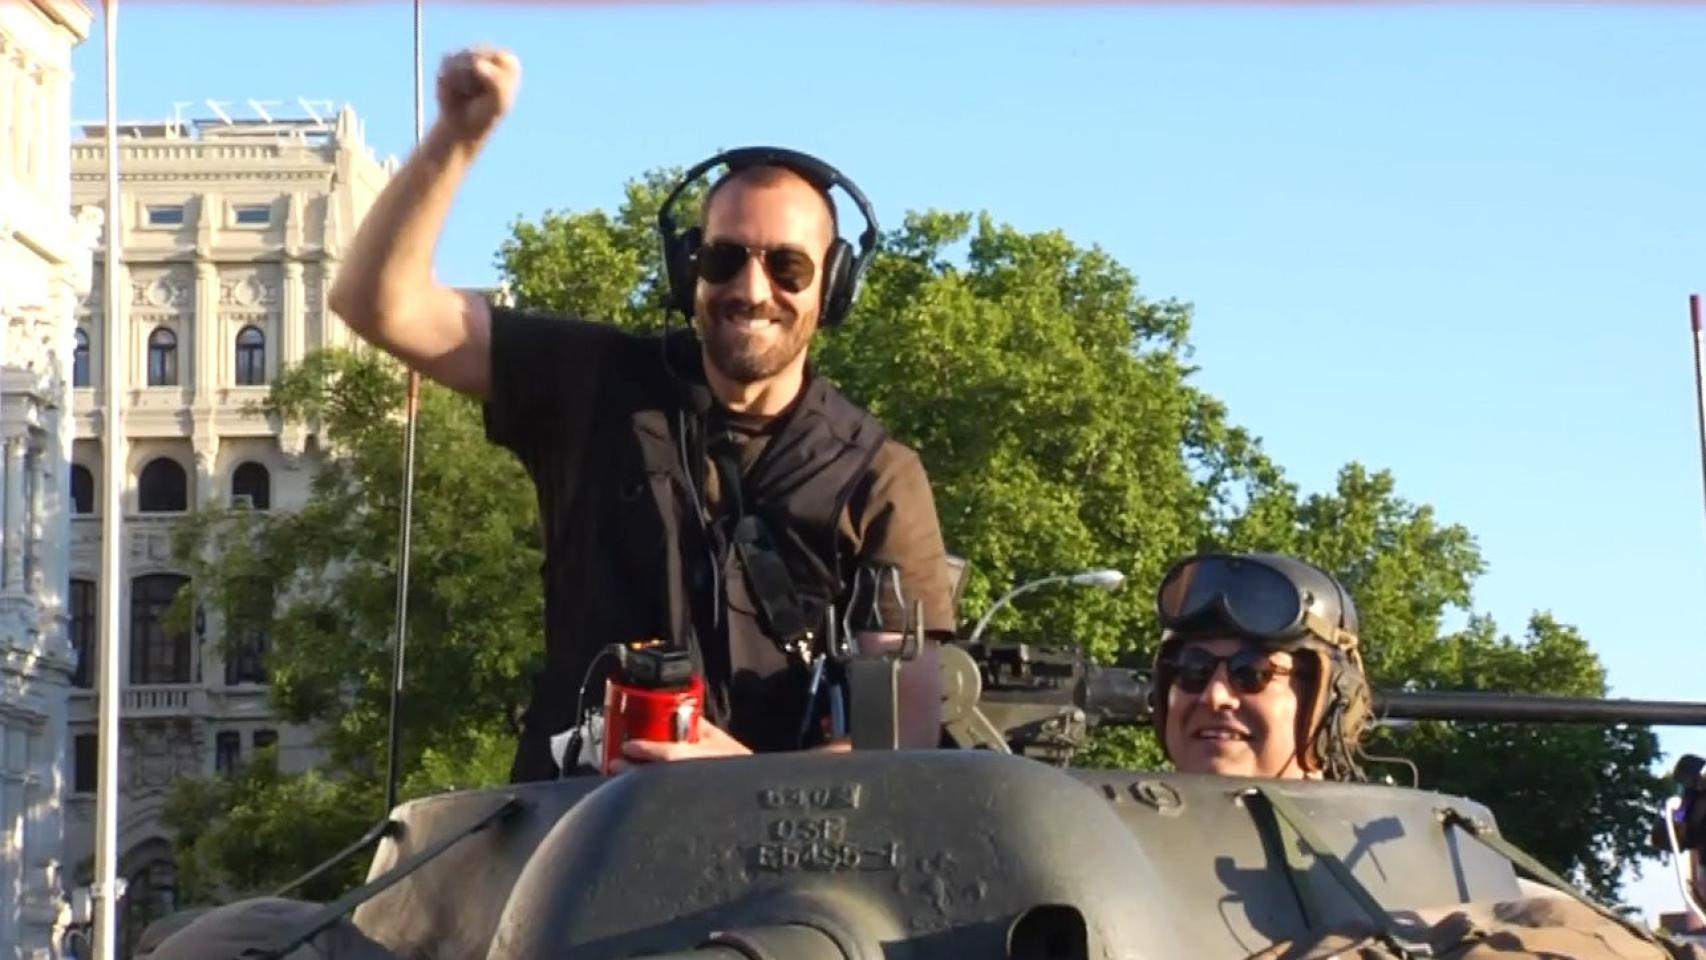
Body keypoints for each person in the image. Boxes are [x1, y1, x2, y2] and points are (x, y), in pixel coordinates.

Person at [328, 46, 957, 781]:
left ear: (834, 287)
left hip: (783, 866)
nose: (753, 290)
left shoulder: (878, 474)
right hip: (569, 843)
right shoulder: (590, 383)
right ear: (688, 268)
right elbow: (377, 304)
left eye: (788, 266)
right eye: (725, 259)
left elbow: (905, 731)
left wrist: (745, 778)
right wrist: (458, 135)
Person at [1146, 550, 1372, 781]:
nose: (1215, 696)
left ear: (1331, 703)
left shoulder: (1386, 817)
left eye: (1252, 673)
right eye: (1192, 669)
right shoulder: (1115, 812)